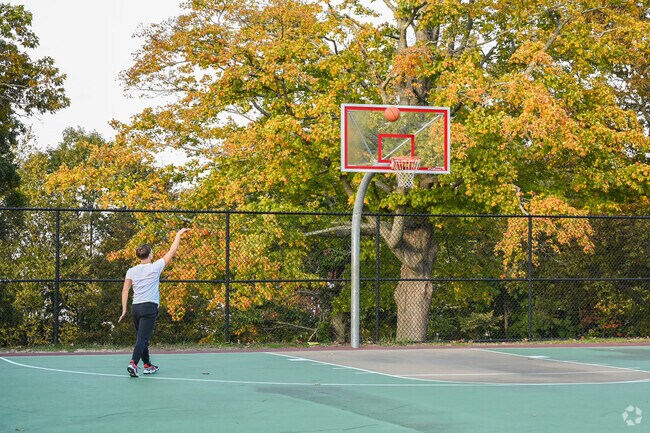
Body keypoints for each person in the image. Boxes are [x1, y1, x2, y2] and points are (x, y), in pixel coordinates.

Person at [119, 228, 190, 377]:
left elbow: (125, 290)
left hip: (136, 308)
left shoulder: (131, 270)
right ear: (150, 254)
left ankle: (147, 365)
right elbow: (172, 250)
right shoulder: (155, 267)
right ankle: (133, 363)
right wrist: (178, 234)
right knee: (143, 338)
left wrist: (124, 309)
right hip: (149, 307)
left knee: (141, 336)